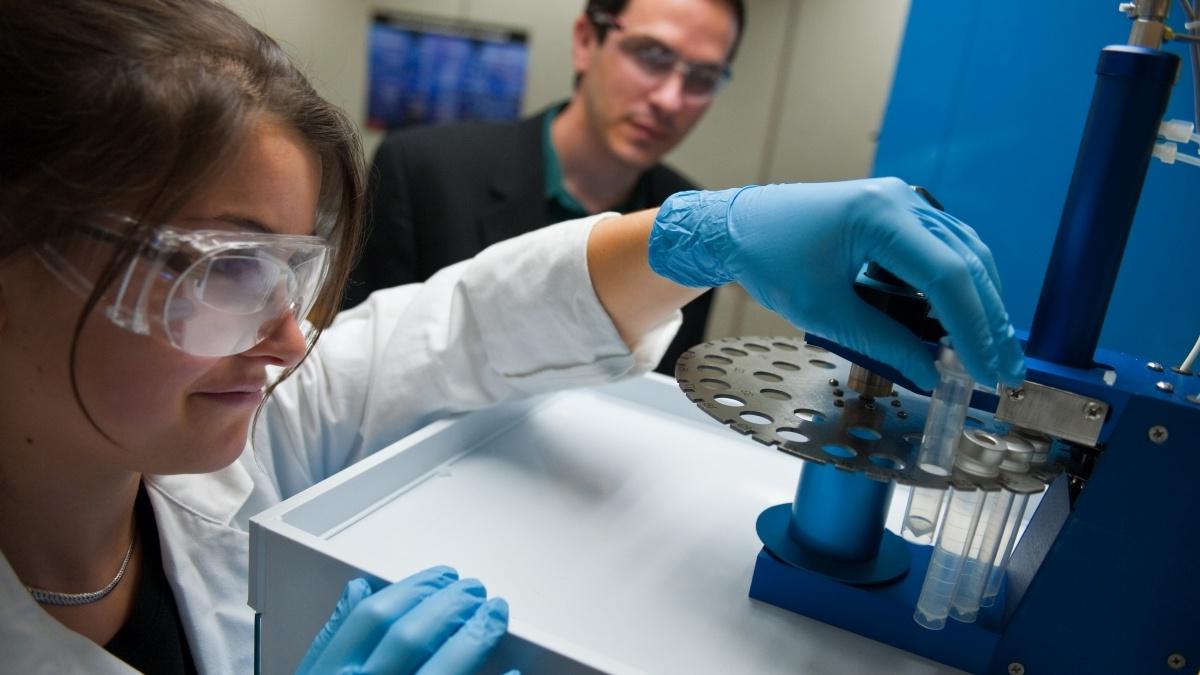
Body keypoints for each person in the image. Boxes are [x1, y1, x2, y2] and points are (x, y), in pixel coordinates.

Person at [0, 1, 1025, 673]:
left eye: (293, 271)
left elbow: (455, 328)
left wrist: (704, 235)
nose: (286, 335)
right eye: (222, 270)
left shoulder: (228, 456)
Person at [345, 0, 747, 377]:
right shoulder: (423, 171)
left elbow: (659, 404)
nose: (670, 100)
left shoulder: (695, 227)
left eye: (703, 78)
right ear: (587, 41)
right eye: (652, 55)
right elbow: (359, 369)